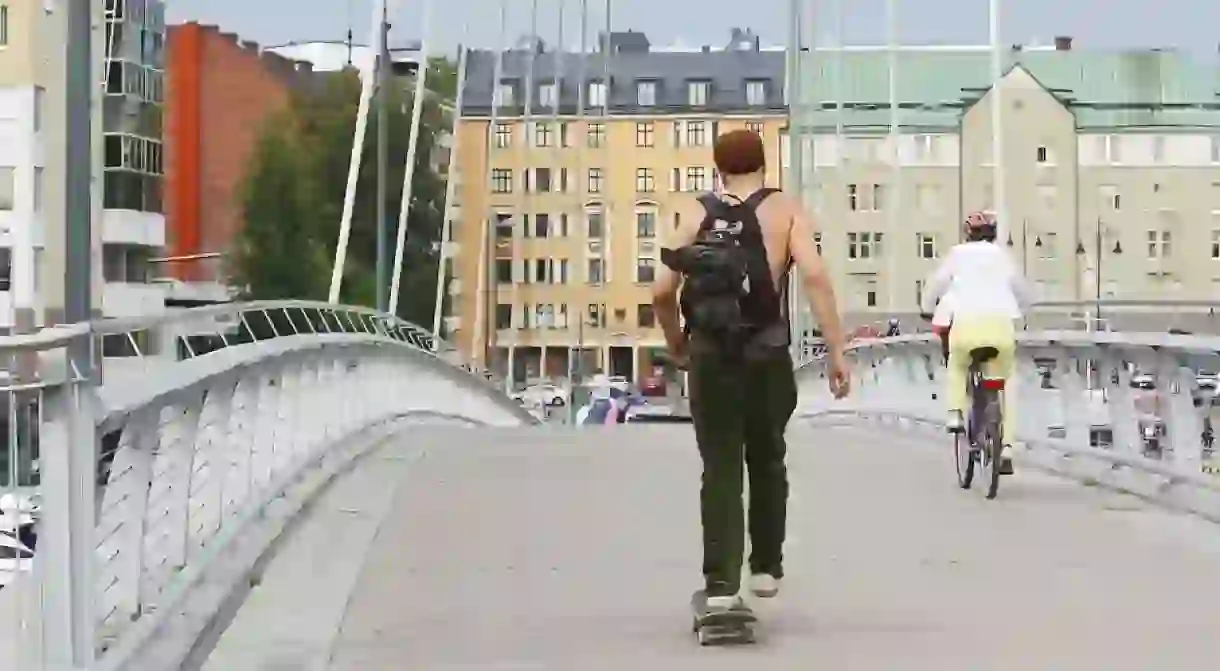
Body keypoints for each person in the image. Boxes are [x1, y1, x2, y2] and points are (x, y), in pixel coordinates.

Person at [652, 129, 850, 617]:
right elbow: (816, 276)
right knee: (767, 458)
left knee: (719, 467)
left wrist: (677, 342)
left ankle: (721, 585)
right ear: (765, 164)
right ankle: (765, 567)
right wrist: (836, 352)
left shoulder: (696, 213)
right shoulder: (787, 211)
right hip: (767, 354)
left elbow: (660, 289)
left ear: (718, 168)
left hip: (711, 355)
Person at [919, 210, 1031, 472]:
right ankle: (1007, 449)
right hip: (1000, 326)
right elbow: (1021, 288)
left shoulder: (957, 254)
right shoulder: (1003, 256)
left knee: (957, 365)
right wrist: (1024, 310)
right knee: (1007, 382)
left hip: (965, 325)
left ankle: (955, 414)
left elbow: (936, 284)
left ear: (967, 233)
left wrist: (926, 307)